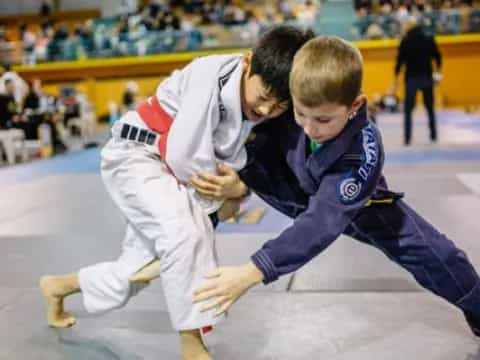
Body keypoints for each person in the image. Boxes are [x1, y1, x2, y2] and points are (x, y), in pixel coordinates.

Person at [39, 26, 314, 360]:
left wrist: (238, 190)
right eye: (264, 97)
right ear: (248, 62)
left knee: (140, 269)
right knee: (186, 234)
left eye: (280, 105)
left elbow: (249, 169)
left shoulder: (263, 108)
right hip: (137, 156)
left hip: (173, 171)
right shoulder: (209, 75)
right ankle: (191, 344)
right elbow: (185, 156)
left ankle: (58, 287)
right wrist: (219, 205)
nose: (267, 110)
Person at [187, 36, 480, 338]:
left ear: (355, 105)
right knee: (227, 160)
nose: (310, 127)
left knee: (438, 256)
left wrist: (251, 271)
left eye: (323, 119)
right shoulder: (287, 106)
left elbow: (321, 223)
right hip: (287, 185)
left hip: (362, 209)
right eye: (300, 113)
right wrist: (237, 184)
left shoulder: (361, 151)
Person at [393, 18, 442, 145]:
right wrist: (438, 72)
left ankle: (407, 138)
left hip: (411, 79)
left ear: (408, 27)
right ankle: (433, 135)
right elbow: (437, 57)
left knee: (408, 110)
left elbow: (399, 61)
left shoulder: (405, 41)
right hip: (427, 77)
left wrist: (396, 76)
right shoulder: (429, 38)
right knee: (430, 108)